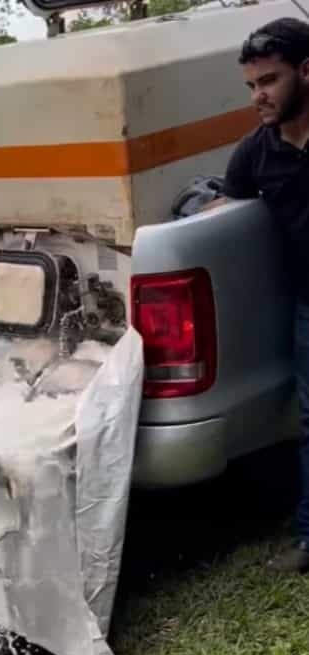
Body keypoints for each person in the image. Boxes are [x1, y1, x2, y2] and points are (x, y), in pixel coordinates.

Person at [222, 17, 309, 571]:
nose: (260, 96)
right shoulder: (254, 154)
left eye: (270, 81)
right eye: (253, 85)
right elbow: (224, 211)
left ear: (306, 71)